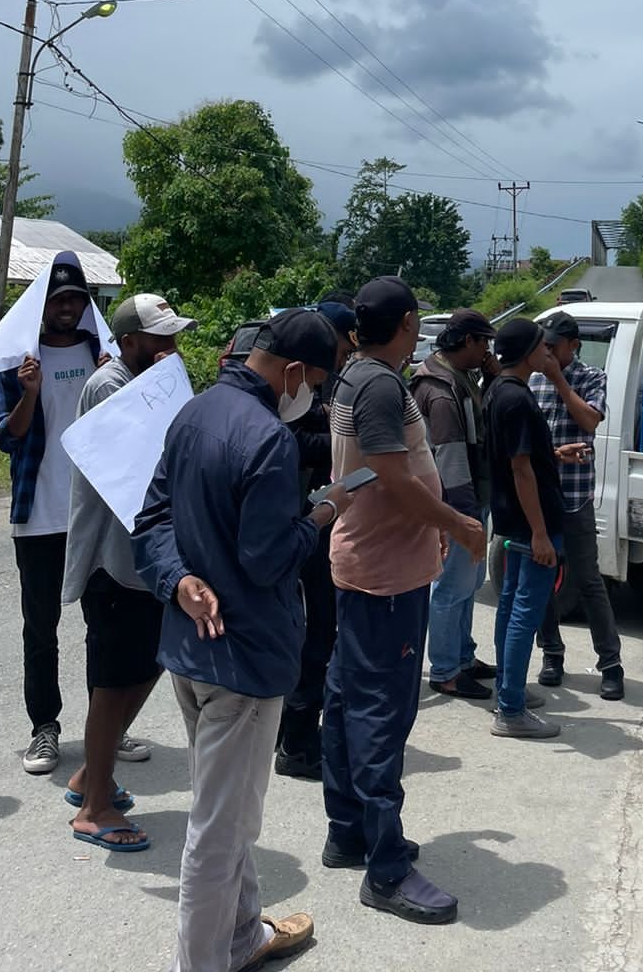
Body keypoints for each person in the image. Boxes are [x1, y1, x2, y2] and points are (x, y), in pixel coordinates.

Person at [133, 308, 356, 972]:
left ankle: (242, 937)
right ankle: (202, 961)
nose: (311, 397)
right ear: (293, 372)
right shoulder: (267, 438)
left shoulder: (193, 414)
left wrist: (177, 581)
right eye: (315, 383)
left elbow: (150, 520)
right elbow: (267, 559)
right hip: (246, 659)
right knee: (218, 831)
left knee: (226, 811)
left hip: (190, 651)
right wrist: (322, 512)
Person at [322, 278, 485, 927]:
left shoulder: (357, 378)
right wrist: (456, 524)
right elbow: (389, 474)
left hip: (370, 562)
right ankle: (385, 868)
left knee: (345, 699)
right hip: (384, 577)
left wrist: (413, 522)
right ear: (410, 323)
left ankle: (349, 832)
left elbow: (361, 471)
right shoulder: (382, 384)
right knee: (381, 715)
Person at [62, 293, 198, 852]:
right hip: (112, 562)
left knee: (147, 667)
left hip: (144, 562)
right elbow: (145, 469)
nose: (170, 347)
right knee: (112, 685)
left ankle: (87, 778)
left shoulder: (153, 381)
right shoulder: (110, 386)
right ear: (128, 341)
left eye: (173, 336)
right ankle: (93, 808)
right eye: (158, 338)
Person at [0, 252, 102, 776]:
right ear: (43, 304)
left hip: (95, 513)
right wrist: (29, 394)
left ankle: (108, 727)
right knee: (42, 628)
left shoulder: (101, 354)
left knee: (105, 624)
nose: (67, 307)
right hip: (38, 516)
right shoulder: (20, 363)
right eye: (58, 299)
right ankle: (45, 728)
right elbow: (7, 438)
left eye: (75, 299)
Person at [274, 295, 359, 781]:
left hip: (316, 510)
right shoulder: (295, 381)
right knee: (315, 633)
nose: (342, 361)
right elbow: (288, 440)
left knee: (318, 632)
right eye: (341, 350)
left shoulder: (325, 378)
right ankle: (297, 742)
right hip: (302, 515)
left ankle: (298, 731)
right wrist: (345, 441)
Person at [531, 312, 623, 700]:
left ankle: (611, 664)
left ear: (575, 346)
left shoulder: (591, 377)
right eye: (545, 346)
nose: (549, 353)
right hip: (539, 497)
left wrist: (559, 379)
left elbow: (589, 420)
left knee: (588, 580)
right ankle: (552, 653)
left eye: (556, 346)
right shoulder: (532, 379)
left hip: (575, 498)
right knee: (540, 583)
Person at [410, 308, 499, 701]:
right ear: (467, 342)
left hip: (469, 498)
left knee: (468, 584)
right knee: (451, 587)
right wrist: (462, 518)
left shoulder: (460, 378)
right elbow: (449, 457)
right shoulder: (442, 390)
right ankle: (445, 670)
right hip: (457, 501)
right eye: (484, 343)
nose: (487, 352)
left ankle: (463, 656)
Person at [484, 317, 565, 741]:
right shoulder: (515, 398)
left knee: (511, 605)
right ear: (529, 351)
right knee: (524, 614)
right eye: (543, 346)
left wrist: (555, 454)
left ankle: (506, 691)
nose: (549, 353)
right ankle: (511, 708)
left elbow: (524, 457)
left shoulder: (499, 390)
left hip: (513, 518)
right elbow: (519, 468)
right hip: (532, 522)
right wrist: (539, 533)